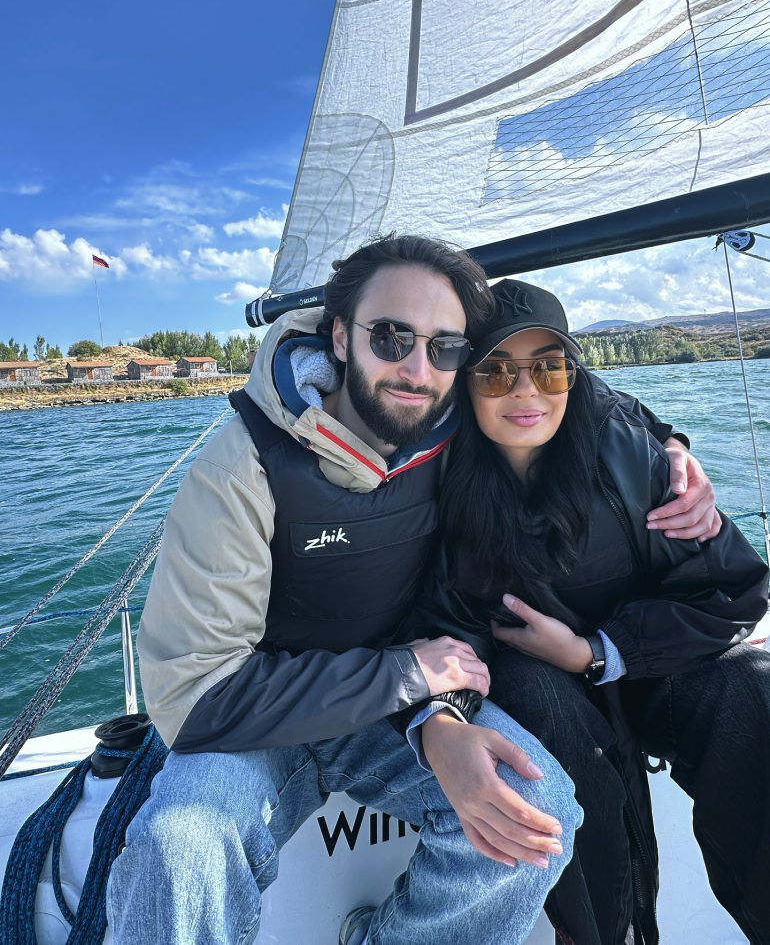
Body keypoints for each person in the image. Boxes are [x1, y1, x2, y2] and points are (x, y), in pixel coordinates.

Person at [106, 236, 717, 945]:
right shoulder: (241, 467)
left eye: (445, 347)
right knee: (181, 845)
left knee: (533, 810)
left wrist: (671, 448)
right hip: (256, 723)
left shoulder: (456, 427)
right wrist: (408, 678)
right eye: (391, 337)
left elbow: (572, 393)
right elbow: (195, 698)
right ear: (340, 336)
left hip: (389, 714)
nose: (418, 370)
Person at [423, 277, 770, 945]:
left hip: (649, 668)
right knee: (541, 706)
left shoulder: (631, 456)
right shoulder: (436, 480)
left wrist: (598, 652)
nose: (526, 391)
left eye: (549, 367)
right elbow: (438, 621)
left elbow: (735, 591)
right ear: (463, 383)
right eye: (495, 372)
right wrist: (440, 720)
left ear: (574, 376)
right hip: (533, 688)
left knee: (753, 692)